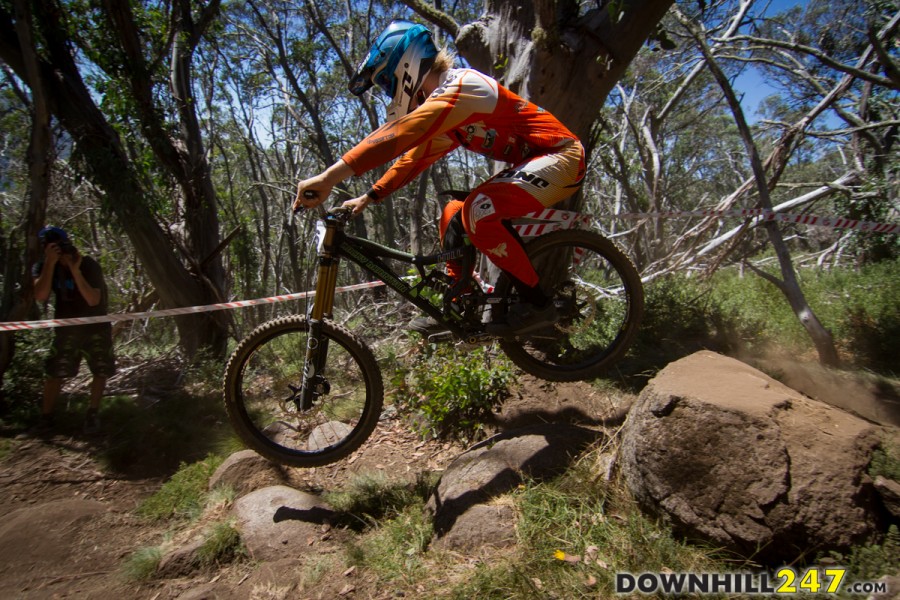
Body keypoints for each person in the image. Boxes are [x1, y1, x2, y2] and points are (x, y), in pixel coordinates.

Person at [294, 19, 585, 335]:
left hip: (563, 156)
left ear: (403, 68)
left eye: (386, 83)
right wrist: (370, 196)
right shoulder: (449, 112)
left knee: (478, 210)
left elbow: (402, 134)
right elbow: (414, 158)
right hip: (536, 162)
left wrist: (328, 177)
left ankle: (538, 304)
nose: (389, 93)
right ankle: (460, 303)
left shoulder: (462, 86)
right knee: (452, 213)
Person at [32, 226, 116, 434]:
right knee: (54, 371)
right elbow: (40, 295)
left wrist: (75, 270)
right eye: (49, 246)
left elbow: (93, 299)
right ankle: (46, 417)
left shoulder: (88, 265)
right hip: (66, 328)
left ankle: (92, 414)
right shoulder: (43, 267)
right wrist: (50, 264)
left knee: (100, 369)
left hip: (95, 327)